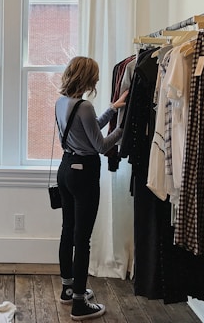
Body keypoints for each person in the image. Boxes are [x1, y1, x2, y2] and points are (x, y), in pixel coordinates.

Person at [55, 56, 128, 321]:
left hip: (66, 170)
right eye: (94, 76)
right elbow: (100, 145)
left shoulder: (63, 102)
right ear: (87, 78)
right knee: (82, 239)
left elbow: (88, 130)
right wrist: (123, 128)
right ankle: (79, 304)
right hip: (84, 174)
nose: (97, 80)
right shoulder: (84, 105)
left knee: (67, 231)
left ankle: (67, 289)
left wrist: (111, 108)